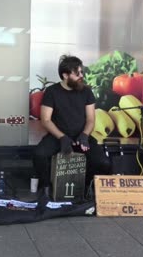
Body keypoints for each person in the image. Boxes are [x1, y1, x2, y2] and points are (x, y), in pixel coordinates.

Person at [33, 55, 111, 197]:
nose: (81, 76)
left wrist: (85, 135)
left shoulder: (86, 91)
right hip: (58, 136)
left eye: (82, 72)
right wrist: (62, 137)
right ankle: (45, 188)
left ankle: (87, 186)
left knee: (103, 162)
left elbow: (91, 119)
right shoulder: (52, 92)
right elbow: (45, 120)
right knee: (39, 154)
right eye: (77, 74)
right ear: (65, 75)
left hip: (81, 136)